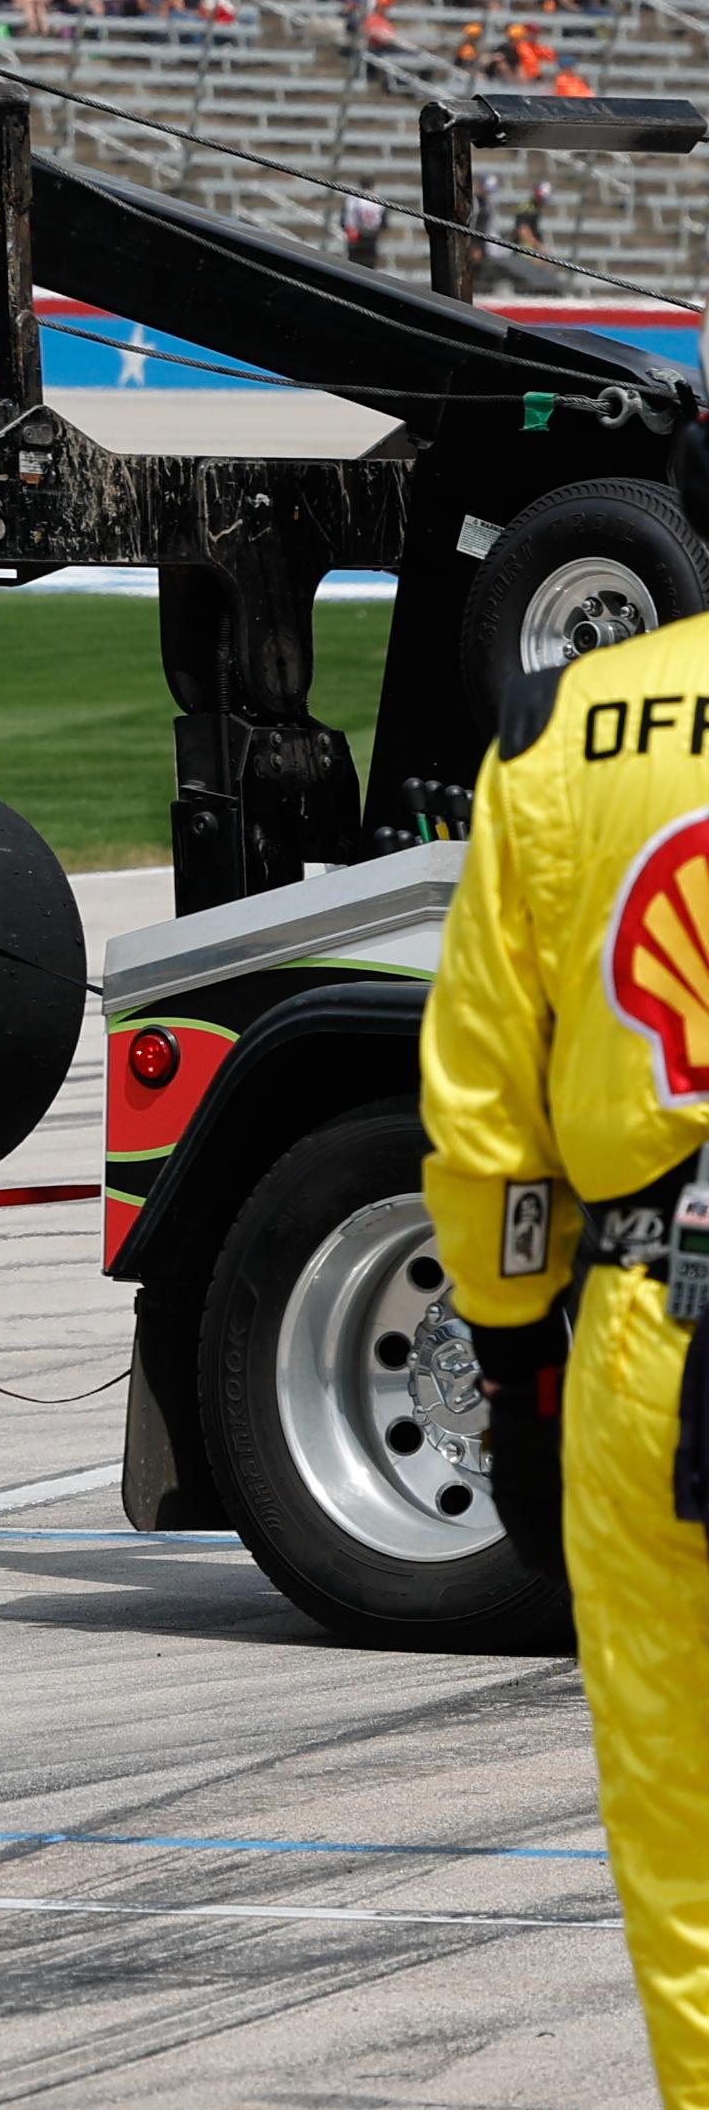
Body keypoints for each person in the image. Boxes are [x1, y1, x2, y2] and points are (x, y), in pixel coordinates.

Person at [421, 483, 709, 2108]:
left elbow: (483, 1127)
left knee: (690, 1871)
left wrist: (521, 1359)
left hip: (652, 1328)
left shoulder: (571, 731)